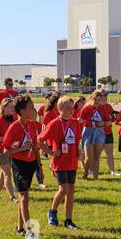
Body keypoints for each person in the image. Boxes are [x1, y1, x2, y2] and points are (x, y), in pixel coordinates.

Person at [1, 95, 43, 238]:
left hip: (31, 163)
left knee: (23, 194)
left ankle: (19, 227)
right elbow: (6, 151)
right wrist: (21, 149)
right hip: (19, 164)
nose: (33, 109)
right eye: (30, 107)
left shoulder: (31, 124)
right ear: (22, 110)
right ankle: (29, 230)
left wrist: (40, 167)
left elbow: (36, 146)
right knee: (24, 196)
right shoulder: (13, 127)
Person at [41, 96, 83, 228]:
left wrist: (79, 151)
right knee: (63, 189)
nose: (71, 110)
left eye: (72, 108)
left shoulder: (75, 123)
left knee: (70, 190)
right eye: (67, 108)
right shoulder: (54, 123)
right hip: (59, 162)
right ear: (60, 109)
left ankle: (68, 220)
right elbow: (39, 140)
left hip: (72, 161)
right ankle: (52, 211)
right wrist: (51, 153)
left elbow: (76, 140)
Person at [0, 97, 18, 201]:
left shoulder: (14, 119)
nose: (13, 109)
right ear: (3, 107)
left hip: (10, 151)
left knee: (3, 174)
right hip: (0, 151)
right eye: (10, 107)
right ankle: (12, 197)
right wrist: (6, 138)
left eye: (13, 107)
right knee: (7, 174)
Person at [79, 90, 111, 179]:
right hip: (88, 132)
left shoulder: (103, 108)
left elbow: (109, 122)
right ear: (91, 99)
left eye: (99, 99)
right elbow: (80, 120)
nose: (97, 101)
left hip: (99, 132)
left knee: (97, 156)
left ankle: (95, 177)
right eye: (95, 99)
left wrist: (103, 123)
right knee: (89, 158)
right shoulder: (86, 108)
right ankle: (85, 173)